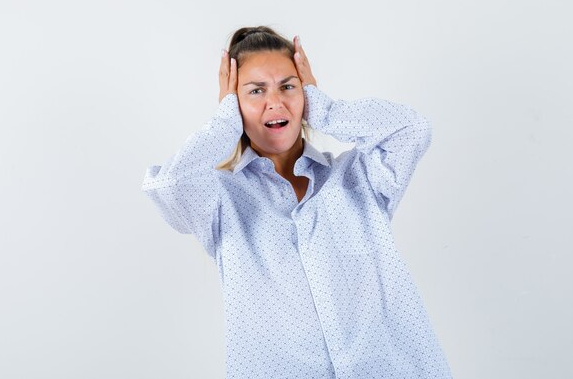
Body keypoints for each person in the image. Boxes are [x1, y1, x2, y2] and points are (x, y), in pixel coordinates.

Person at [142, 26, 453, 378]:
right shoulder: (220, 200)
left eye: (288, 86)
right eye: (256, 91)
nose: (275, 102)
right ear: (233, 103)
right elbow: (169, 184)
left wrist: (327, 112)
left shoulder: (359, 178)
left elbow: (413, 130)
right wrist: (223, 124)